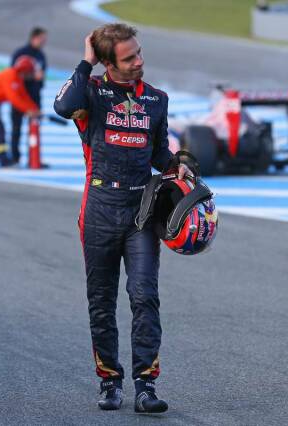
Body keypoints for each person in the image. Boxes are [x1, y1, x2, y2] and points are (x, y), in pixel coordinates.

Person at [53, 23, 191, 413]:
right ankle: (109, 381)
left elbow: (159, 154)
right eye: (129, 58)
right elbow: (63, 107)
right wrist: (85, 61)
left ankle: (145, 386)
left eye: (139, 53)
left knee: (144, 295)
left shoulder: (157, 100)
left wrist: (178, 166)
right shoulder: (91, 94)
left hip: (140, 213)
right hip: (97, 209)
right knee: (101, 301)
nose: (139, 62)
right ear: (108, 63)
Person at [0, 56, 40, 168]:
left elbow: (23, 96)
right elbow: (14, 98)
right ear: (24, 71)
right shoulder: (10, 76)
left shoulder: (17, 78)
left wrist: (34, 109)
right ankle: (4, 160)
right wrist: (28, 110)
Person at [10, 27, 47, 164]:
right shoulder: (20, 53)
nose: (44, 42)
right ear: (34, 38)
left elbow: (42, 76)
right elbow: (14, 75)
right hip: (20, 94)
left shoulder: (41, 55)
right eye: (42, 39)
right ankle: (14, 158)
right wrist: (32, 77)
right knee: (16, 129)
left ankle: (34, 159)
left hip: (35, 96)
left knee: (35, 129)